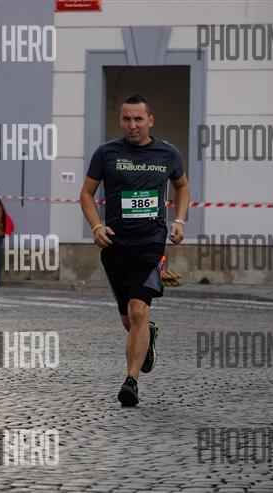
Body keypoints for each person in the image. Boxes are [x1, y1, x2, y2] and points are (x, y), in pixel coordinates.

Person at [80, 94, 190, 407]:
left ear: (150, 120)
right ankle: (147, 335)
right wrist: (97, 226)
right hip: (116, 244)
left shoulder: (168, 153)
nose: (132, 125)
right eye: (127, 119)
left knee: (139, 309)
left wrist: (179, 220)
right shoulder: (106, 153)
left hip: (150, 242)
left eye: (138, 119)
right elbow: (86, 194)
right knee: (130, 321)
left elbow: (182, 185)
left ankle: (131, 381)